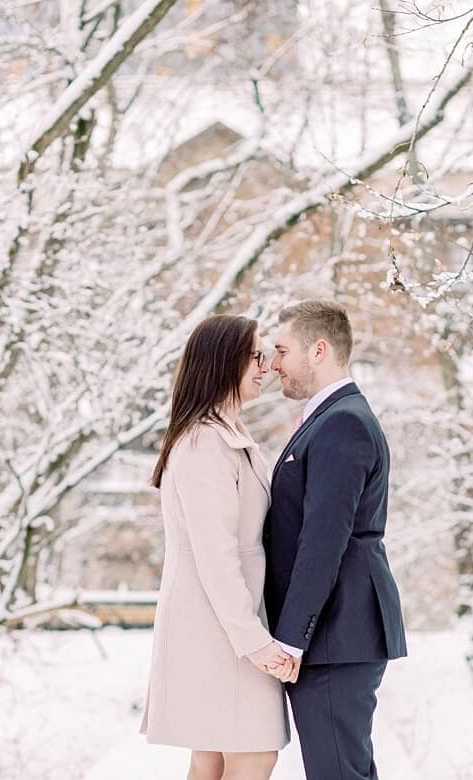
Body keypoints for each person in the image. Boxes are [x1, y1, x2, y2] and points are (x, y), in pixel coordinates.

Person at [141, 314, 292, 780]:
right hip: (221, 628)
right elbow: (215, 556)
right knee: (254, 753)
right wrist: (255, 643)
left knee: (212, 759)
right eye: (257, 356)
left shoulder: (224, 435)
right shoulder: (206, 442)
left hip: (221, 623)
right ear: (225, 362)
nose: (266, 367)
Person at [263, 300, 408, 780]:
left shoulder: (342, 422)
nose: (274, 363)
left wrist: (290, 640)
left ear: (319, 349)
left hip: (334, 633)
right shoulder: (331, 417)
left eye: (282, 350)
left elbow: (324, 539)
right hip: (336, 632)